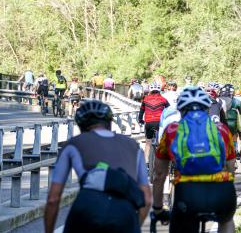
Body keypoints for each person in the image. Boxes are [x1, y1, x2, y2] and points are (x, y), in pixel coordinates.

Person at [44, 100, 151, 233]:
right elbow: (146, 199)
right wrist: (134, 226)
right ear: (109, 123)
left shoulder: (73, 144)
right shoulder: (134, 146)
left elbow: (53, 199)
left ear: (81, 126)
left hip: (86, 210)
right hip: (124, 214)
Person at [153, 87, 236, 233]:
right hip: (222, 192)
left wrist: (158, 208)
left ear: (180, 109)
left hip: (188, 194)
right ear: (206, 108)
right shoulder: (222, 130)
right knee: (226, 221)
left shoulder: (172, 131)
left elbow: (159, 175)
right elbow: (230, 168)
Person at [138, 82, 169, 164]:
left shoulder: (145, 99)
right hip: (159, 123)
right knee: (162, 141)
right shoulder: (163, 99)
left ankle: (146, 162)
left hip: (148, 123)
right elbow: (169, 111)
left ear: (150, 90)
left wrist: (140, 120)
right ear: (159, 90)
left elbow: (141, 111)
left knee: (148, 142)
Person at [218, 84, 241, 158]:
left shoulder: (218, 100)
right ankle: (234, 152)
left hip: (221, 122)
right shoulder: (235, 100)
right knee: (234, 136)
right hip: (233, 123)